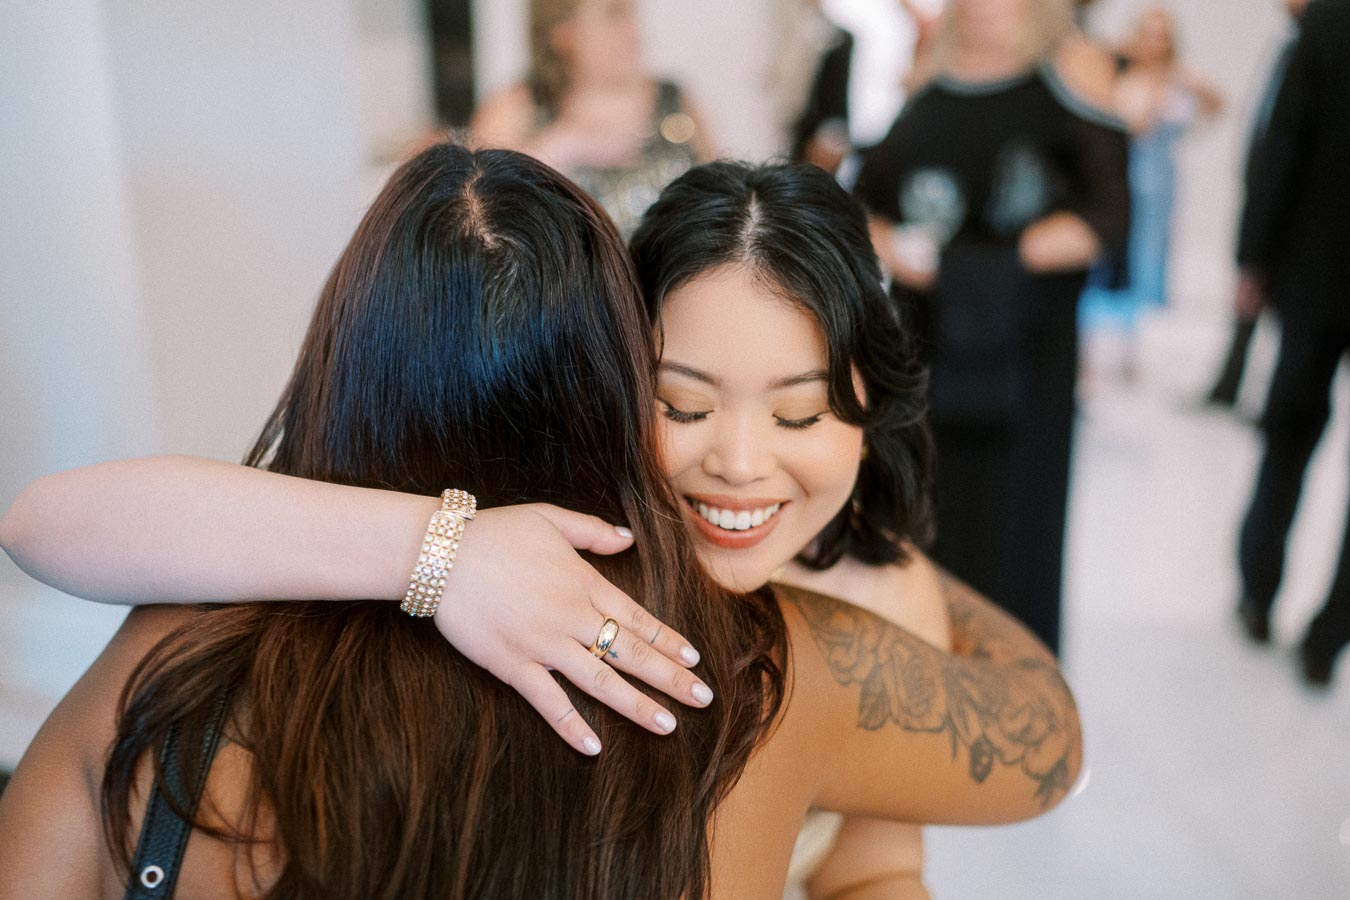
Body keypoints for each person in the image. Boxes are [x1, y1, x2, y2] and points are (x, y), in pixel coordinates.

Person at [0, 149, 1083, 897]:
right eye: (682, 402)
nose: (742, 459)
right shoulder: (781, 672)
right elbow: (1047, 738)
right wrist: (448, 556)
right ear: (607, 399)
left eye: (799, 409)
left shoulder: (162, 666)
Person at [851, 0, 1130, 656]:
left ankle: (1011, 686)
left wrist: (973, 266)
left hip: (1026, 352)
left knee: (1013, 525)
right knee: (926, 517)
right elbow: (867, 200)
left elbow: (1104, 218)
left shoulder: (1070, 78)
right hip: (926, 349)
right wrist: (900, 251)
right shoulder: (927, 75)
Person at [1233, 0, 1350, 687]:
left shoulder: (1327, 25)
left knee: (1286, 435)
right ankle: (1328, 637)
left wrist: (1255, 257)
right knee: (1286, 434)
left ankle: (1258, 589)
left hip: (1314, 276)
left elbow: (1282, 145)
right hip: (1314, 276)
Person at [470, 0, 714, 238]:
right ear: (563, 32)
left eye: (632, 13)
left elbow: (722, 206)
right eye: (614, 14)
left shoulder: (675, 100)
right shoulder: (516, 107)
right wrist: (561, 146)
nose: (635, 30)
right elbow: (476, 207)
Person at [1205, 0, 1311, 407]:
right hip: (1266, 189)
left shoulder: (1317, 51)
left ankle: (1277, 401)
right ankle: (1229, 384)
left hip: (1297, 206)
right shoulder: (1287, 46)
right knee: (1248, 289)